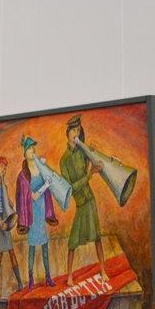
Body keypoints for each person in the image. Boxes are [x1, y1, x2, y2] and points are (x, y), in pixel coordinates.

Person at [59, 114, 109, 283]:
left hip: (90, 200)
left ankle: (103, 271)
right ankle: (69, 276)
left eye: (78, 130)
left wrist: (92, 151)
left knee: (97, 237)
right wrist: (90, 175)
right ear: (68, 133)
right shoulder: (64, 160)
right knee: (73, 242)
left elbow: (95, 161)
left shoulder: (83, 151)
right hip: (80, 203)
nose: (76, 133)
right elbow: (71, 189)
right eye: (73, 130)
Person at [21, 137, 57, 290]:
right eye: (30, 148)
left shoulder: (39, 167)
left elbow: (49, 178)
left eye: (33, 148)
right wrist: (45, 185)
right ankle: (31, 279)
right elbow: (34, 196)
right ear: (25, 152)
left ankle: (48, 277)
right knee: (32, 247)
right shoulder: (24, 175)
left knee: (44, 245)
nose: (33, 150)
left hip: (41, 211)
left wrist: (44, 168)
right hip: (32, 214)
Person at [0, 157, 23, 291]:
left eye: (5, 168)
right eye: (1, 166)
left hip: (4, 219)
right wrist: (0, 222)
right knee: (0, 251)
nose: (3, 170)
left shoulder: (4, 186)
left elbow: (7, 203)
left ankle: (19, 281)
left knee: (11, 250)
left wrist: (12, 206)